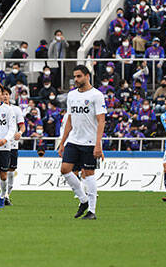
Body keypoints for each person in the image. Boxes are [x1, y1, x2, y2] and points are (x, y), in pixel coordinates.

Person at [57, 65, 106, 220]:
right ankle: (83, 200)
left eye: (79, 76)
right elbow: (70, 119)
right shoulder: (71, 95)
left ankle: (92, 210)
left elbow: (101, 121)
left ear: (87, 76)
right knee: (65, 169)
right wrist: (62, 142)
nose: (76, 80)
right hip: (74, 139)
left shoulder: (96, 95)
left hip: (90, 142)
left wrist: (98, 144)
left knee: (89, 174)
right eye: (75, 77)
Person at [3, 87, 25, 205]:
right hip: (1, 145)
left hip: (13, 145)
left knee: (11, 170)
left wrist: (20, 133)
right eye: (3, 94)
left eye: (7, 94)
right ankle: (3, 194)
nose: (5, 96)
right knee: (3, 171)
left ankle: (7, 195)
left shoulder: (16, 109)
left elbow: (22, 126)